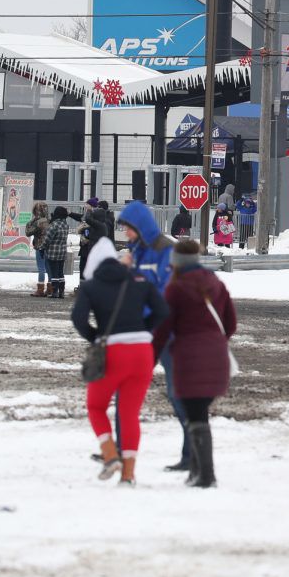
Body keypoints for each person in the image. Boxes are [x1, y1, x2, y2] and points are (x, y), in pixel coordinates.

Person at [71, 237, 167, 487]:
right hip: (142, 353)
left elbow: (78, 318)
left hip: (112, 352)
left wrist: (96, 337)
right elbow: (162, 312)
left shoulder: (92, 286)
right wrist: (143, 331)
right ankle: (128, 475)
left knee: (95, 406)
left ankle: (110, 454)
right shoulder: (138, 280)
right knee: (129, 414)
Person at [155, 238, 237, 489]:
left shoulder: (175, 288)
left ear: (176, 262)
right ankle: (197, 471)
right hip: (217, 356)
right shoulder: (216, 284)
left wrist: (150, 356)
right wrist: (213, 342)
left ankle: (205, 474)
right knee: (199, 414)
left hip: (189, 358)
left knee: (195, 416)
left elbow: (162, 329)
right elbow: (231, 324)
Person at [117, 200, 188, 469]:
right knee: (126, 388)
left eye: (128, 228)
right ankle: (119, 450)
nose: (126, 234)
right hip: (141, 331)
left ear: (140, 226)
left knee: (177, 393)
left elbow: (166, 292)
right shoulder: (133, 252)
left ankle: (191, 455)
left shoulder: (165, 250)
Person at [41, 207, 70, 298]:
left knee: (54, 273)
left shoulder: (54, 225)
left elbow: (47, 239)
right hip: (62, 251)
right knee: (60, 272)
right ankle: (61, 292)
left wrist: (42, 248)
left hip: (53, 252)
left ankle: (55, 292)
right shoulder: (65, 225)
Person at [25, 201, 51, 298]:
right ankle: (50, 288)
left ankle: (40, 289)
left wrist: (30, 222)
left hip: (40, 247)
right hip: (49, 247)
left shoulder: (37, 222)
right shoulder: (50, 221)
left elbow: (28, 232)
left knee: (41, 268)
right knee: (49, 268)